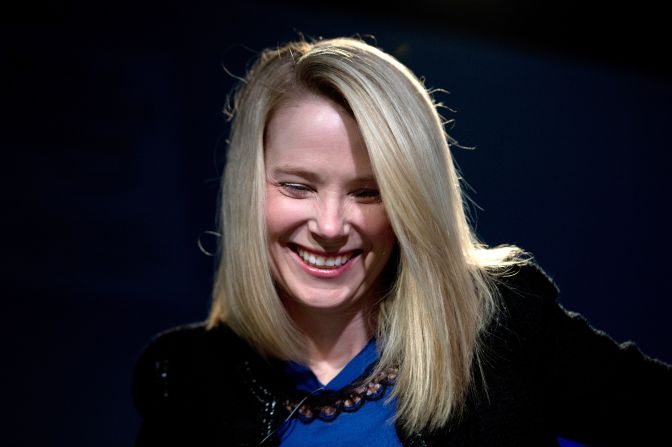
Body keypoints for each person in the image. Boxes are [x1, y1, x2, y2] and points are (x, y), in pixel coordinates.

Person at [132, 37, 671, 446]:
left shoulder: (499, 323)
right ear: (247, 188)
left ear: (411, 205)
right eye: (298, 186)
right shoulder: (180, 376)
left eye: (368, 193)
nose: (329, 224)